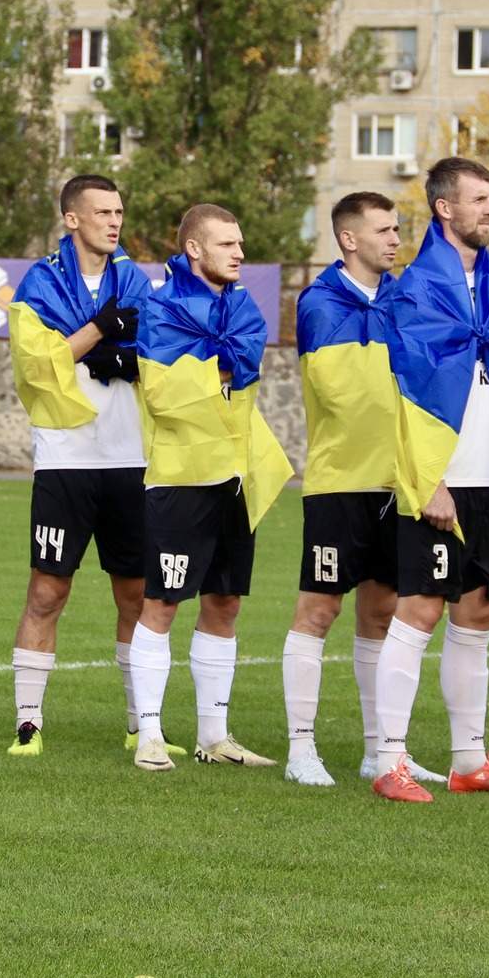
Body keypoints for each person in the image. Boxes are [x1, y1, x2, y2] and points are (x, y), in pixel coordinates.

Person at [370, 156, 489, 804]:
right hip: (437, 481)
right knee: (418, 610)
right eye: (480, 199)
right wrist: (429, 481)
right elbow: (405, 394)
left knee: (479, 612)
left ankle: (470, 759)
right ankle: (389, 759)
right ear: (445, 208)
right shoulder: (415, 289)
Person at [279, 191, 445, 788]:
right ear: (349, 239)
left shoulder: (407, 298)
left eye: (398, 228)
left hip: (398, 483)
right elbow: (345, 397)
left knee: (380, 614)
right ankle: (302, 748)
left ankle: (381, 750)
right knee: (319, 610)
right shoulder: (321, 303)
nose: (396, 239)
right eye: (383, 230)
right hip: (340, 483)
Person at [128, 203, 293, 772]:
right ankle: (149, 733)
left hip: (235, 476)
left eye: (241, 244)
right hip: (180, 478)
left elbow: (247, 363)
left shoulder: (243, 306)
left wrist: (211, 364)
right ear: (194, 249)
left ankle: (214, 736)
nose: (240, 253)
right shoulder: (161, 306)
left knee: (225, 603)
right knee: (163, 602)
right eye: (227, 244)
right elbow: (161, 394)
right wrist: (221, 365)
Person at [4, 174, 157, 756]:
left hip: (131, 457)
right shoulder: (39, 283)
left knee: (136, 595)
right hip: (65, 460)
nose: (114, 221)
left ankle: (139, 719)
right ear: (72, 219)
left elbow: (157, 350)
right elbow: (36, 366)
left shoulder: (134, 280)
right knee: (47, 590)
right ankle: (28, 721)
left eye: (119, 211)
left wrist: (124, 352)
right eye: (102, 212)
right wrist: (99, 331)